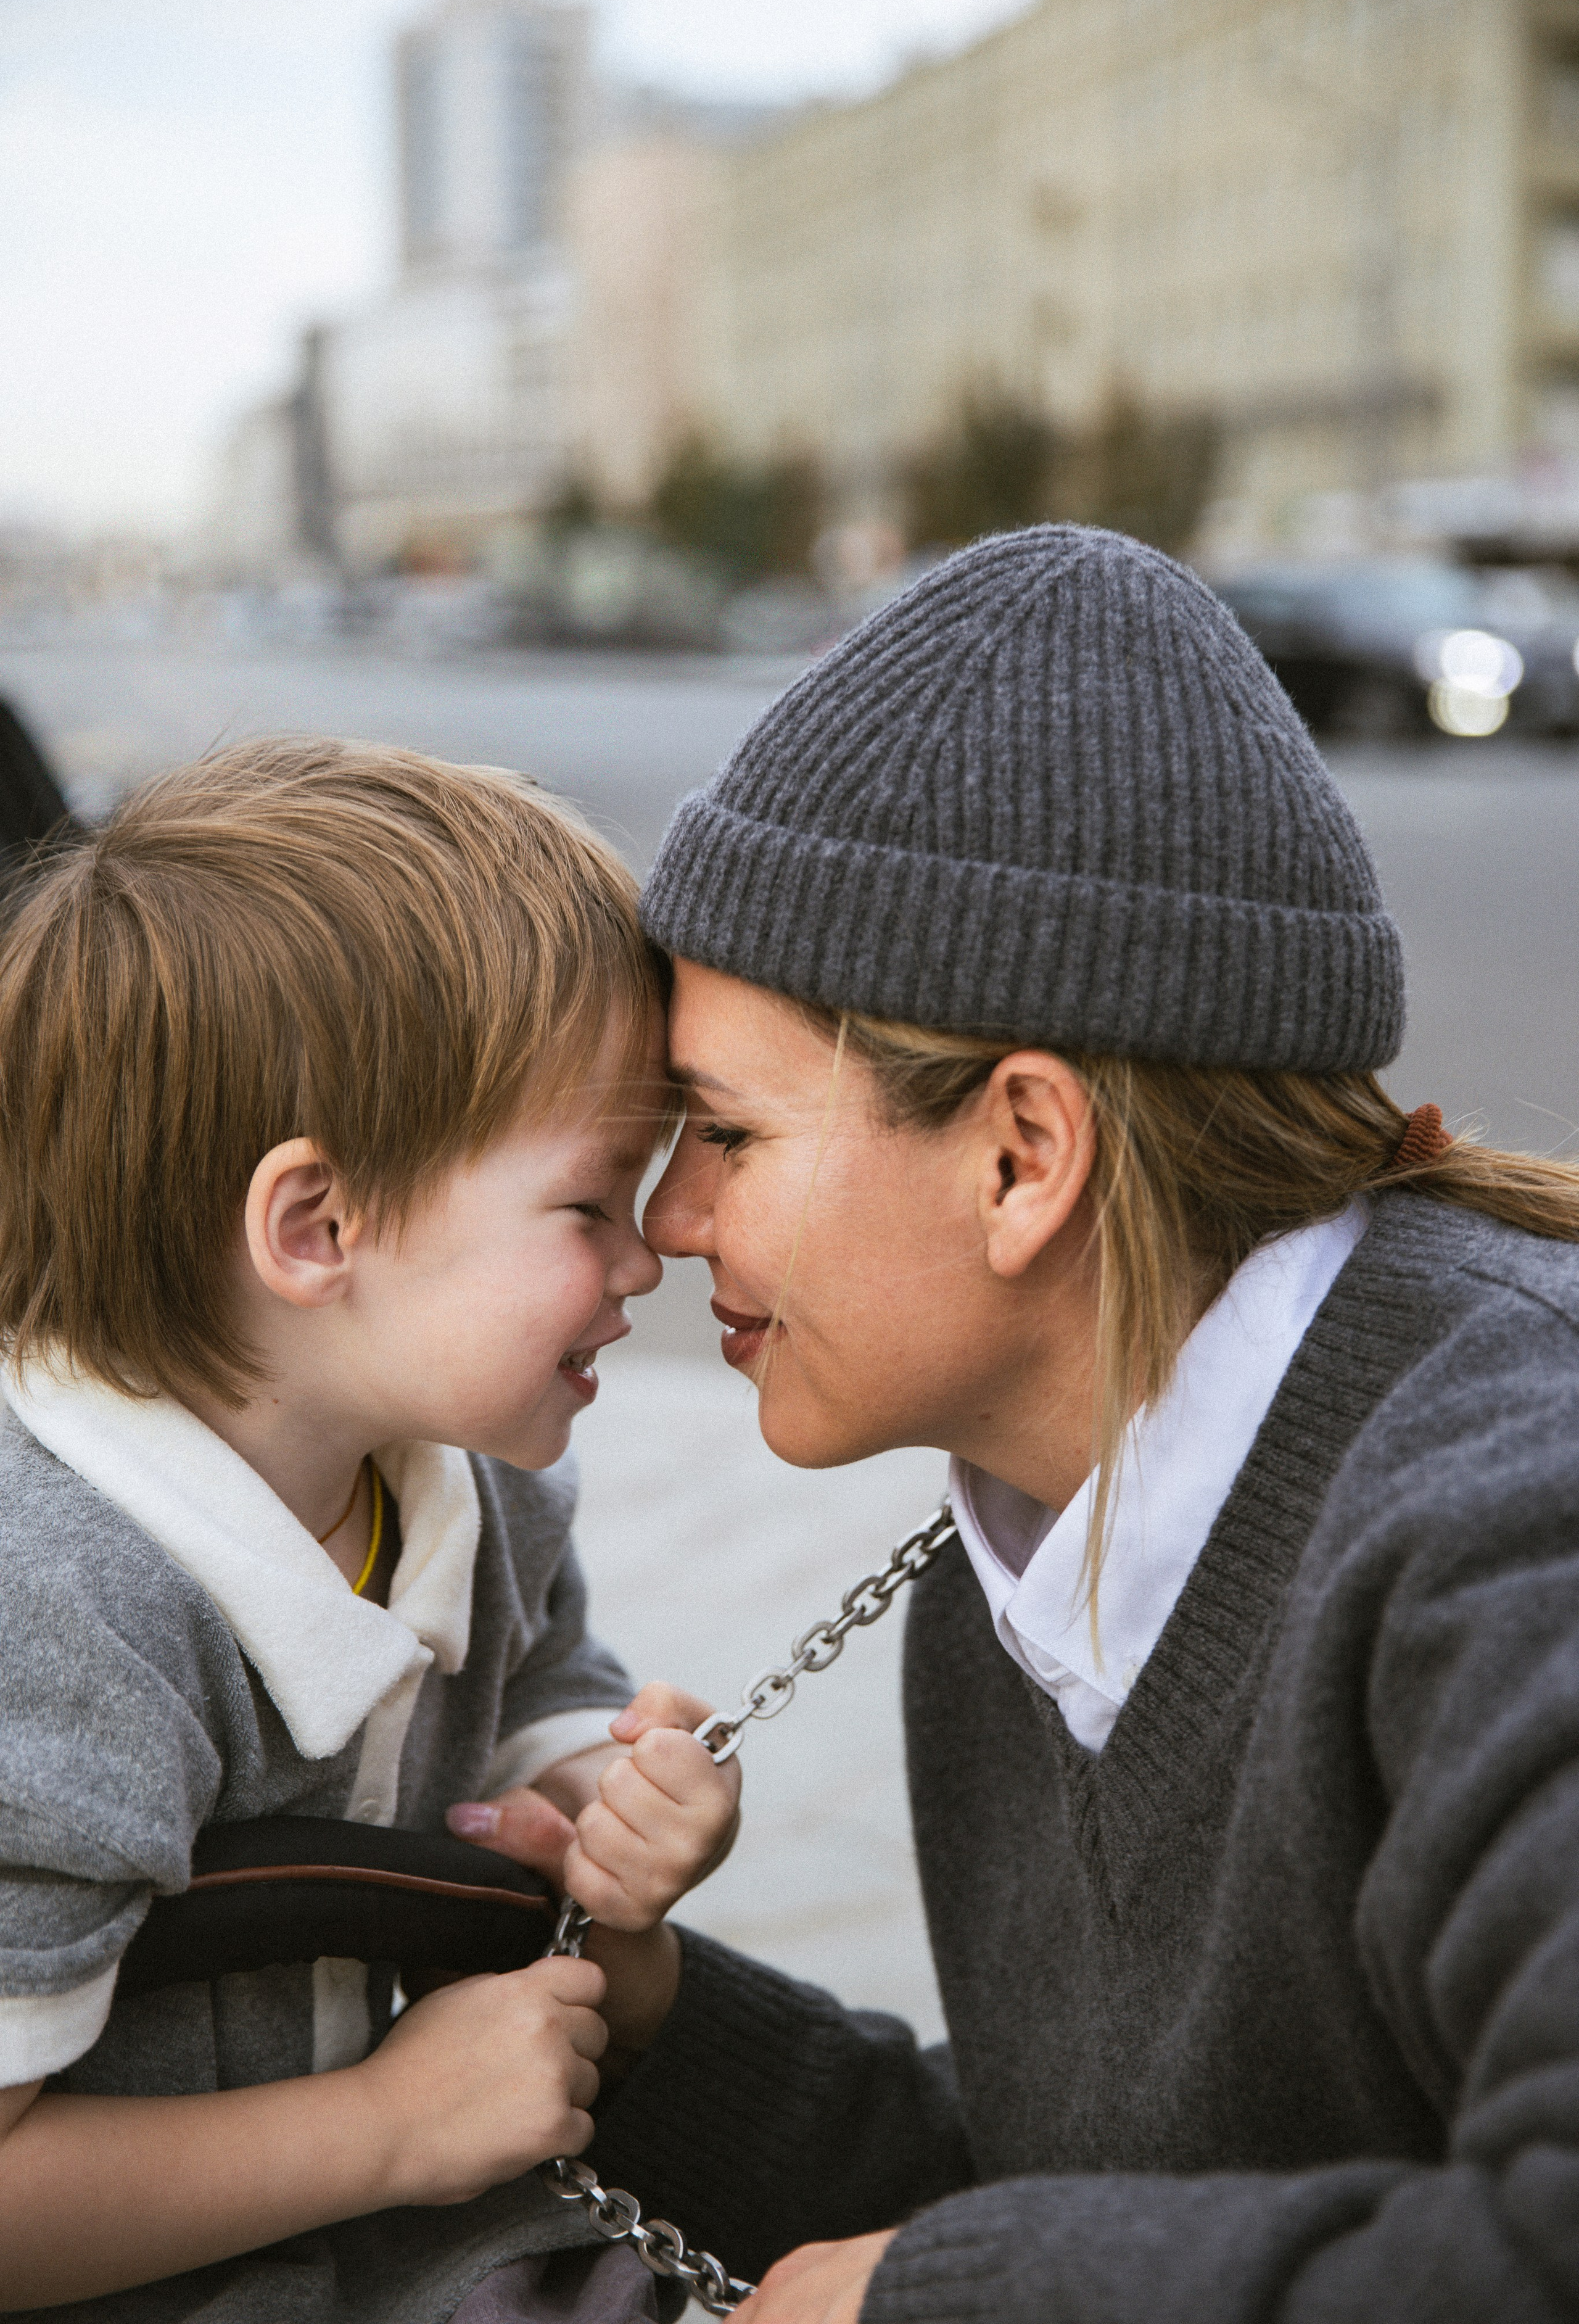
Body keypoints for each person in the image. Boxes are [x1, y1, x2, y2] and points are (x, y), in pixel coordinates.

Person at [478, 526, 1579, 2322]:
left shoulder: (1517, 1519)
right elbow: (1101, 2203)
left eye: (729, 1135)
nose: (670, 1225)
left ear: (1023, 1153)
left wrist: (927, 2304)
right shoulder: (1016, 1555)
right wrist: (649, 2017)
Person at [0, 742, 738, 2323]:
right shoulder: (60, 1616)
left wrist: (600, 1799)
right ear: (318, 1228)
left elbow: (539, 1696)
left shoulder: (478, 1478)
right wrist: (384, 2130)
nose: (652, 1254)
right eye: (592, 1200)